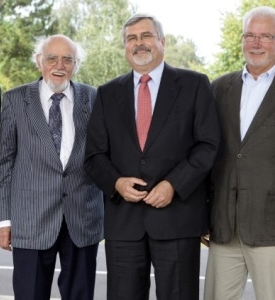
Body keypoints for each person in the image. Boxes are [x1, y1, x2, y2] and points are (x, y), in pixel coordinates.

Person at [84, 13, 220, 300]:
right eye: (131, 38)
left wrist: (173, 185)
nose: (139, 44)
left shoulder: (194, 85)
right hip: (124, 222)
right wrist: (117, 183)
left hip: (177, 217)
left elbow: (208, 145)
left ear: (162, 41)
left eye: (146, 36)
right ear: (125, 47)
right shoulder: (107, 93)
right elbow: (94, 155)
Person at [203, 6, 275, 300]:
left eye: (265, 36)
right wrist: (202, 216)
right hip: (223, 224)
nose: (256, 43)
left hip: (274, 228)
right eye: (249, 35)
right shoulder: (217, 89)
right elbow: (205, 156)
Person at [0, 34, 103, 300]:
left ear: (76, 65)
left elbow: (103, 157)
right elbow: (3, 162)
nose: (59, 65)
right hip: (29, 220)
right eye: (52, 58)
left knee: (81, 295)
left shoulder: (94, 98)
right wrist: (4, 220)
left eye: (68, 59)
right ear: (39, 61)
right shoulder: (16, 99)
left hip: (82, 218)